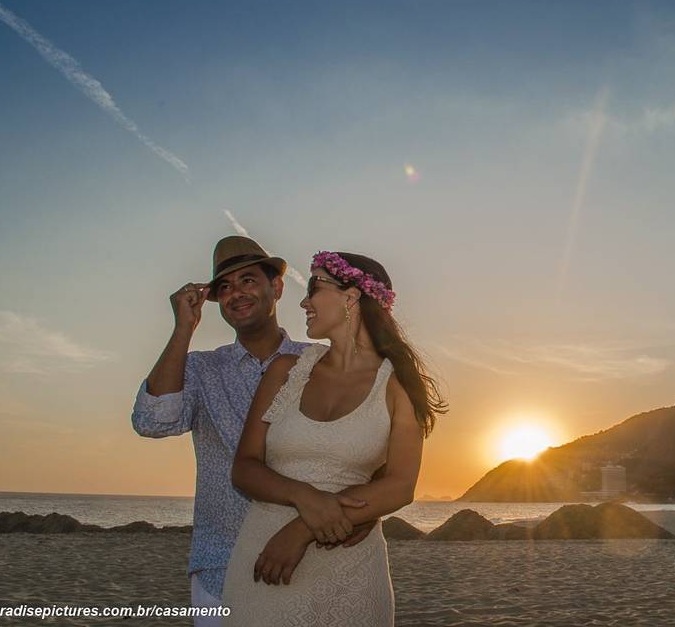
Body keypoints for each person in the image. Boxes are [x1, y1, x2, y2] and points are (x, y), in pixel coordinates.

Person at [131, 236, 376, 626]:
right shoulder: (199, 369)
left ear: (276, 288)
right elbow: (152, 421)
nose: (236, 294)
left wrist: (367, 511)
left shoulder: (317, 362)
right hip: (221, 567)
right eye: (224, 287)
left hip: (313, 557)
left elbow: (366, 448)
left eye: (248, 280)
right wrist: (183, 329)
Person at [222, 251, 446, 626]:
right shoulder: (284, 370)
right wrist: (304, 497)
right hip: (265, 559)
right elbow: (244, 469)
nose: (303, 301)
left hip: (349, 568)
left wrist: (303, 528)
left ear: (351, 296)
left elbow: (400, 486)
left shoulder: (398, 385)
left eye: (314, 288)